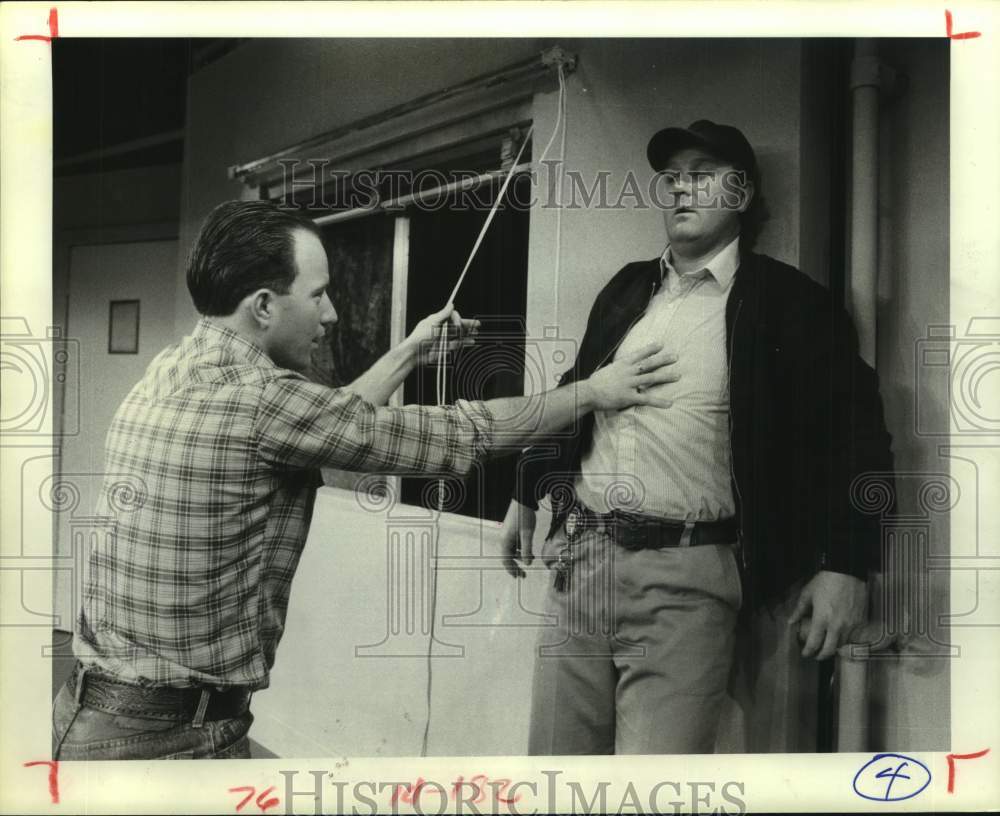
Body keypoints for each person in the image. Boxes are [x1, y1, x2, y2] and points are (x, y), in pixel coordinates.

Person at [52, 200, 680, 760]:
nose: (332, 312)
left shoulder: (178, 366)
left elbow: (327, 424)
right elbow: (455, 435)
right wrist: (592, 391)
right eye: (318, 293)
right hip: (169, 738)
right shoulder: (261, 400)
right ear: (265, 306)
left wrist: (409, 350)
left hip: (99, 713)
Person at [501, 120, 894, 754]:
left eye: (702, 175)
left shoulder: (789, 303)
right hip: (582, 561)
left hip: (687, 576)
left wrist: (848, 565)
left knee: (651, 785)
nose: (681, 190)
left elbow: (859, 434)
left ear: (741, 196)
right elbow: (580, 393)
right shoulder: (628, 288)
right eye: (672, 178)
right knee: (555, 769)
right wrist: (526, 491)